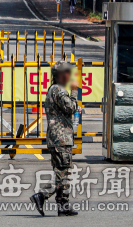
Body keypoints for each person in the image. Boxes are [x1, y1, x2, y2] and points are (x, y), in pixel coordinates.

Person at [30, 61, 80, 217]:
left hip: (59, 138)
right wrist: (74, 92)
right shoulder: (58, 90)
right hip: (61, 139)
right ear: (58, 75)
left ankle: (63, 205)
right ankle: (42, 195)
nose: (68, 75)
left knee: (63, 172)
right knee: (62, 174)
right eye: (65, 72)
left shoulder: (55, 90)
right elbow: (71, 108)